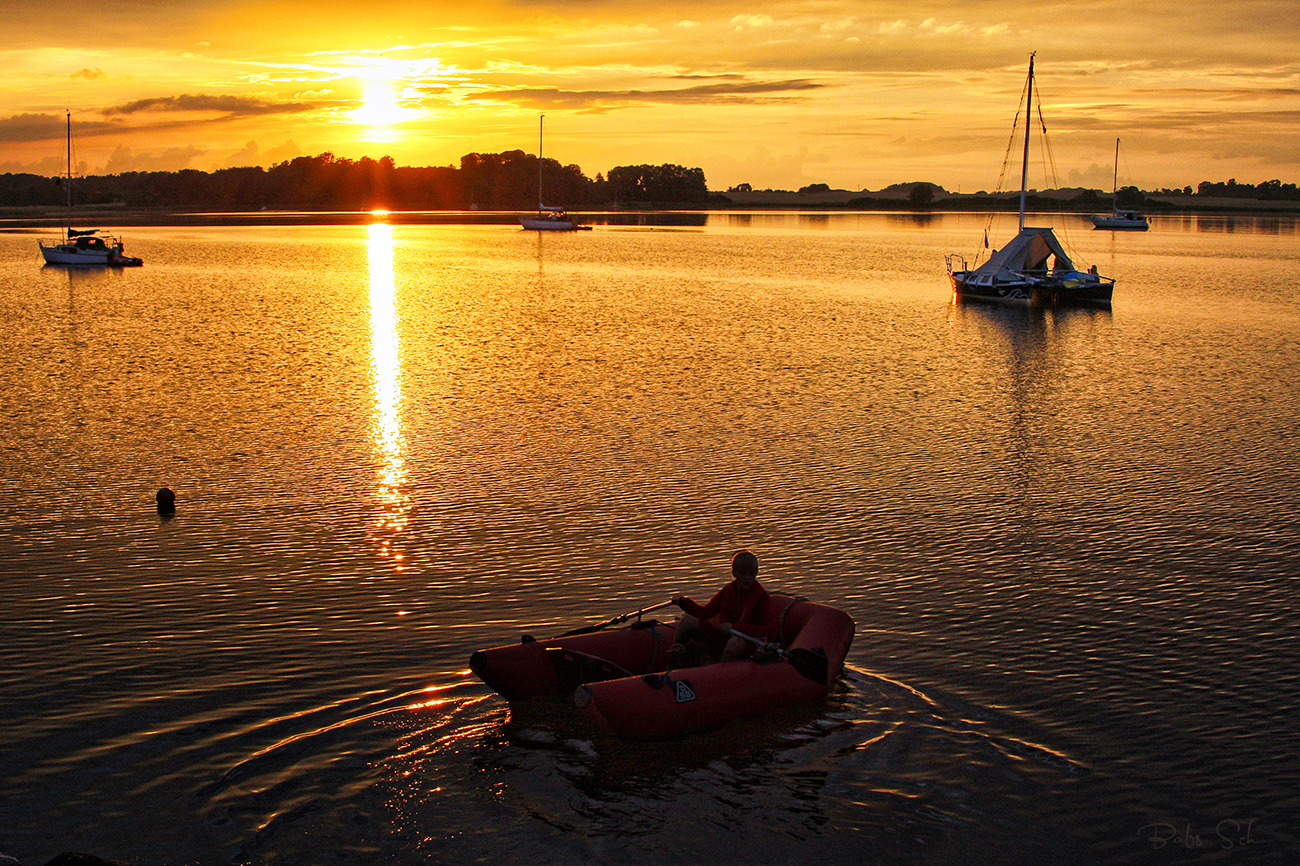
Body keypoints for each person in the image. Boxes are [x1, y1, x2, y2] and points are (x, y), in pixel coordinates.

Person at [670, 549, 778, 665]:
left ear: (756, 573)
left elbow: (771, 631)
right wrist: (684, 602)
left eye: (751, 574)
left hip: (747, 643)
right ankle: (671, 661)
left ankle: (718, 672)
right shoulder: (728, 591)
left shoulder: (761, 597)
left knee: (735, 642)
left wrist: (735, 627)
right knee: (687, 621)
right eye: (743, 573)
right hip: (723, 638)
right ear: (735, 573)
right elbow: (705, 613)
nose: (747, 578)